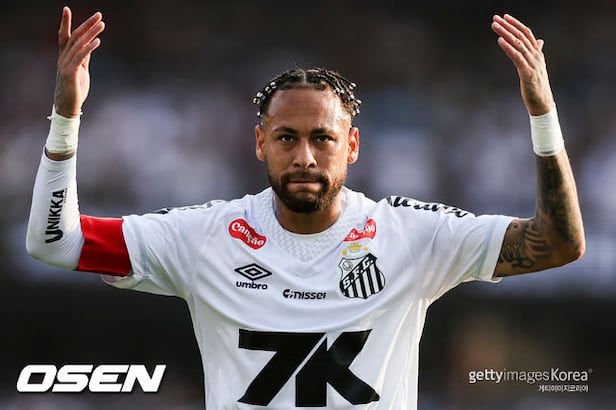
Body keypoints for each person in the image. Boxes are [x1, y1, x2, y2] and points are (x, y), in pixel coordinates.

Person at [26, 7, 585, 409]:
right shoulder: (205, 236)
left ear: (353, 145)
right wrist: (66, 118)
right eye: (286, 138)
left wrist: (543, 115)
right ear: (260, 143)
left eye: (323, 138)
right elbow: (57, 243)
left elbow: (559, 244)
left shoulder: (412, 234)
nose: (305, 157)